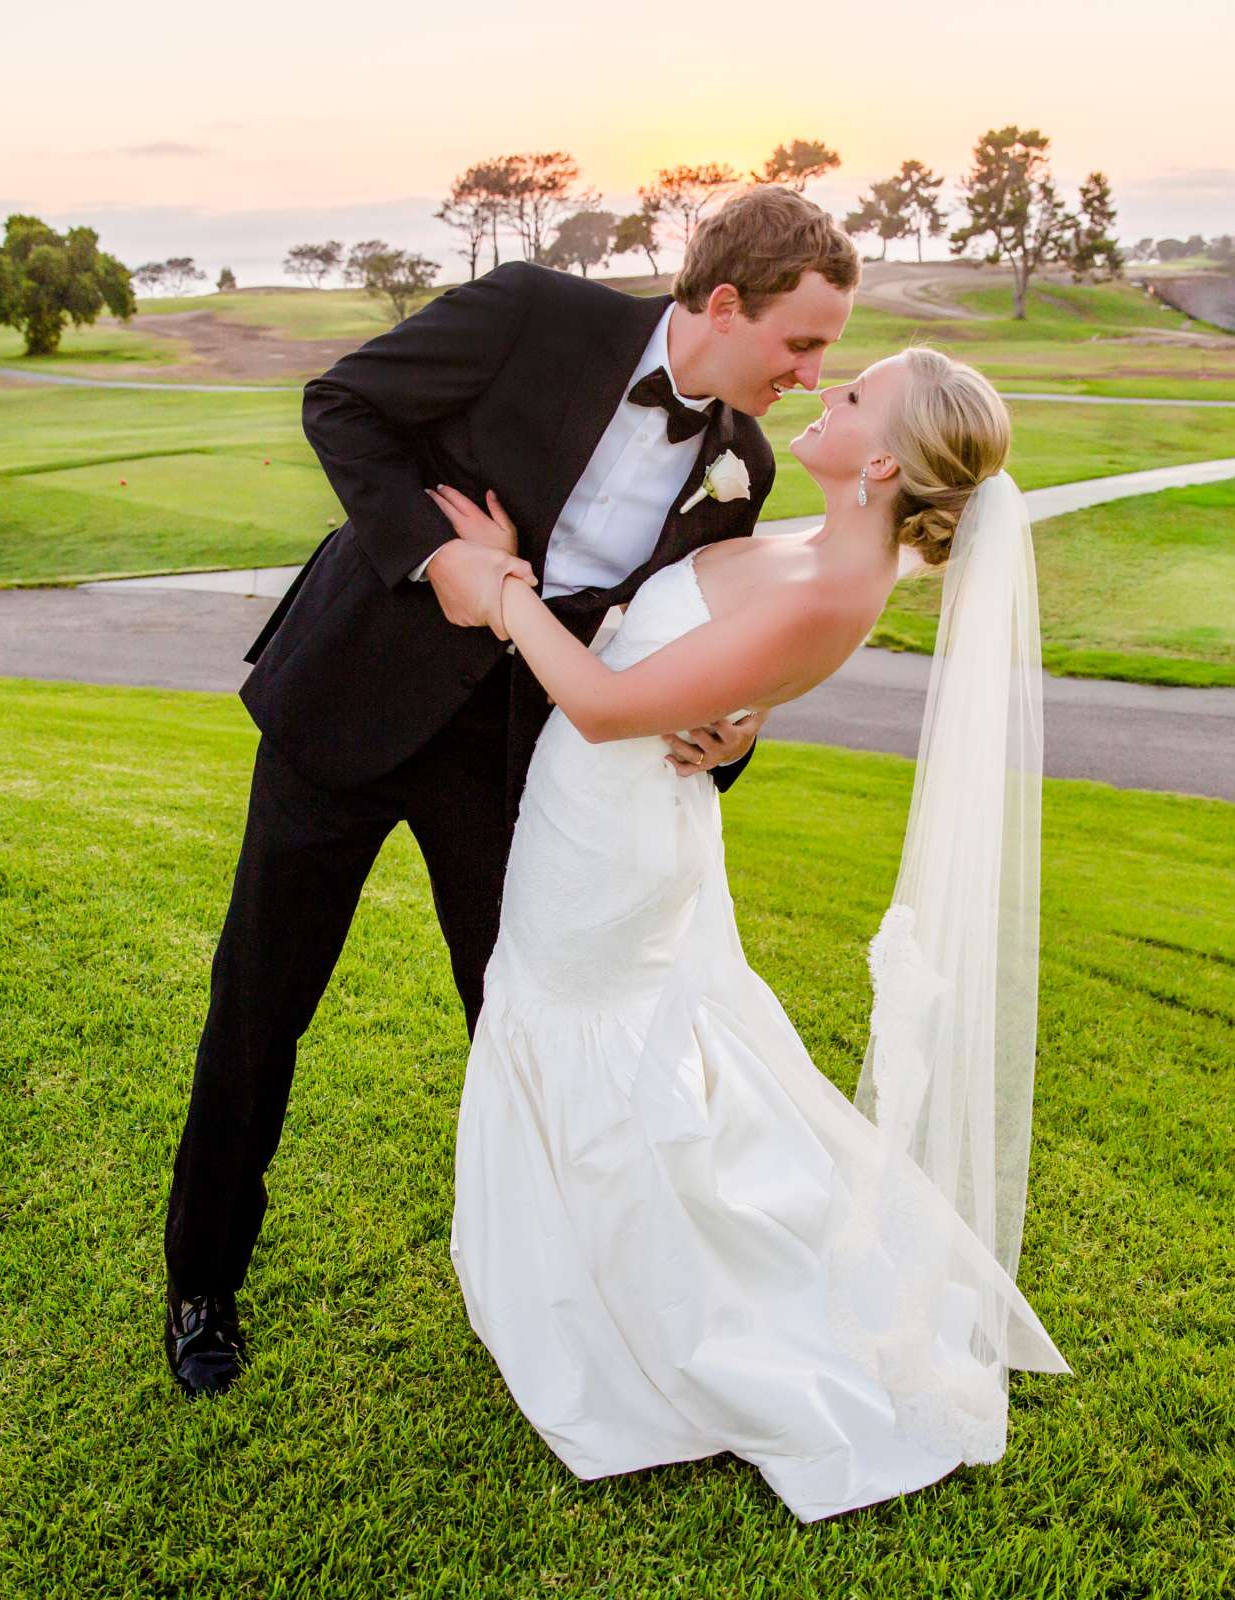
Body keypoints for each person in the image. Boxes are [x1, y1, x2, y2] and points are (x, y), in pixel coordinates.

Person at [162, 188, 862, 1396]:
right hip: (350, 699)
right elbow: (343, 405)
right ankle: (201, 1284)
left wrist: (733, 734)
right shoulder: (536, 313)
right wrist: (441, 560)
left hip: (523, 760)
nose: (810, 372)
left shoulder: (743, 464)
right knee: (259, 1001)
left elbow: (688, 641)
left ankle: (565, 1291)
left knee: (526, 1023)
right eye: (802, 344)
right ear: (730, 304)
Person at [433, 345, 1067, 1522]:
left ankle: (647, 1310)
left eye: (857, 392)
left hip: (609, 829)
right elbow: (708, 670)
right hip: (607, 812)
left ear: (880, 459)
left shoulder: (837, 585)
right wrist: (741, 715)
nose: (830, 392)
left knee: (584, 1034)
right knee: (591, 1029)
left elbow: (611, 704)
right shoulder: (815, 545)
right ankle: (590, 1266)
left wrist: (497, 588)